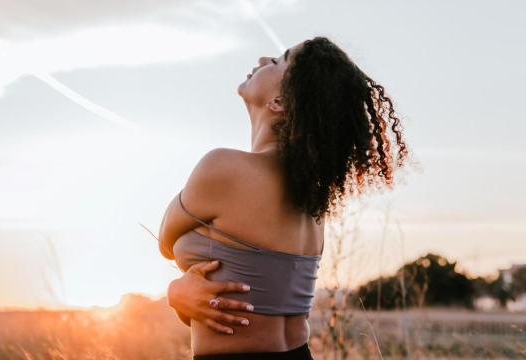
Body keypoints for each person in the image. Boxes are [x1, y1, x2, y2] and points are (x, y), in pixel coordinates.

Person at [157, 36, 410, 359]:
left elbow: (165, 241)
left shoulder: (223, 169)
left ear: (279, 102)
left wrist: (176, 291)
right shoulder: (312, 200)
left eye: (278, 61)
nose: (263, 59)